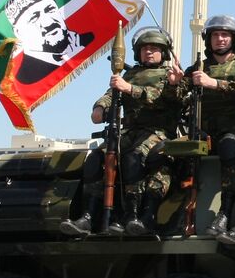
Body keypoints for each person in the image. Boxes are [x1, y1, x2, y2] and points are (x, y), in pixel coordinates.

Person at [62, 27, 184, 238]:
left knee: (133, 158)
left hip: (158, 132)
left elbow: (157, 97)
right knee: (95, 159)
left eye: (154, 48)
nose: (149, 52)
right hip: (130, 130)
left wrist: (129, 89)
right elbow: (111, 95)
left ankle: (132, 215)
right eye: (145, 48)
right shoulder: (129, 74)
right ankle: (89, 216)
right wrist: (100, 108)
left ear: (163, 52)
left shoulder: (170, 76)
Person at [183, 15, 235, 241]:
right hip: (206, 132)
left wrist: (213, 83)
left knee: (229, 146)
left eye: (225, 35)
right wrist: (174, 83)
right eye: (216, 35)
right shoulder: (199, 67)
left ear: (233, 39)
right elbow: (178, 95)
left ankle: (225, 212)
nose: (220, 39)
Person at [6, 0, 95, 85]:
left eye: (50, 9)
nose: (48, 22)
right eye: (34, 18)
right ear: (18, 32)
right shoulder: (26, 77)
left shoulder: (89, 39)